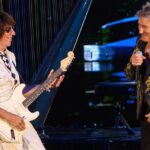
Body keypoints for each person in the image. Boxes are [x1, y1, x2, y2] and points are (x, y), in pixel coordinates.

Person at [0, 11, 64, 150]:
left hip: (16, 118)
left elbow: (19, 92)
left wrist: (46, 84)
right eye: (8, 29)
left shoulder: (10, 56)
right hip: (4, 123)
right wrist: (9, 116)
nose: (13, 33)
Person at [124, 2, 150, 150]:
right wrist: (133, 64)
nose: (140, 31)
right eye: (139, 26)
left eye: (144, 27)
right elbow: (128, 75)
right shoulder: (140, 43)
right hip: (145, 113)